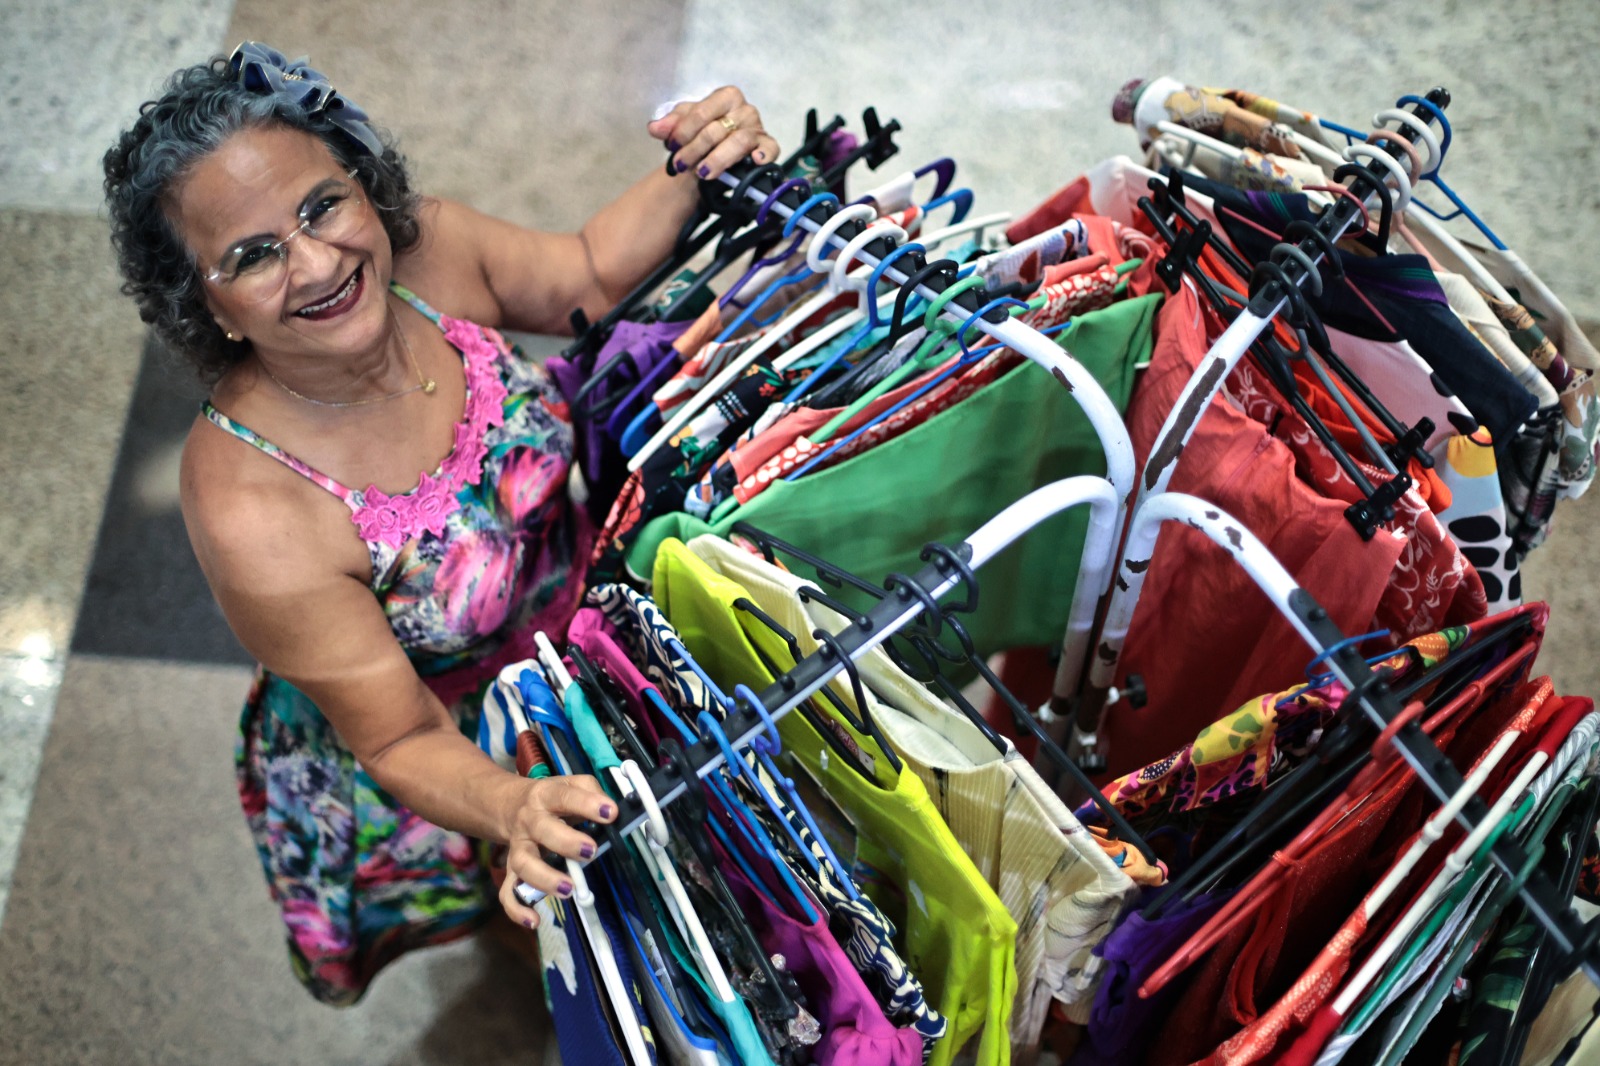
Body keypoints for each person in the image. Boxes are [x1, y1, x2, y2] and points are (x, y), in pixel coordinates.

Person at [102, 41, 779, 1006]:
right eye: (252, 256)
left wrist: (699, 158)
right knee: (539, 922)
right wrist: (514, 804)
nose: (317, 263)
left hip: (571, 634)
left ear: (362, 185)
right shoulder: (251, 500)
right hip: (433, 736)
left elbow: (588, 270)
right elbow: (398, 738)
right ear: (208, 308)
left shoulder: (429, 254)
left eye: (322, 206)